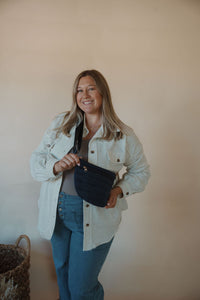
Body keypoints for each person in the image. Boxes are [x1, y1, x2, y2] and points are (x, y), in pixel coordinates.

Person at [30, 69, 150, 300]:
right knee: (63, 276)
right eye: (79, 90)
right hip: (57, 212)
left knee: (82, 289)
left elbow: (141, 171)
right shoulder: (61, 124)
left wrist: (118, 190)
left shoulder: (122, 134)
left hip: (94, 218)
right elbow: (36, 161)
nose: (84, 95)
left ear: (103, 93)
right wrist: (55, 166)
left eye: (91, 88)